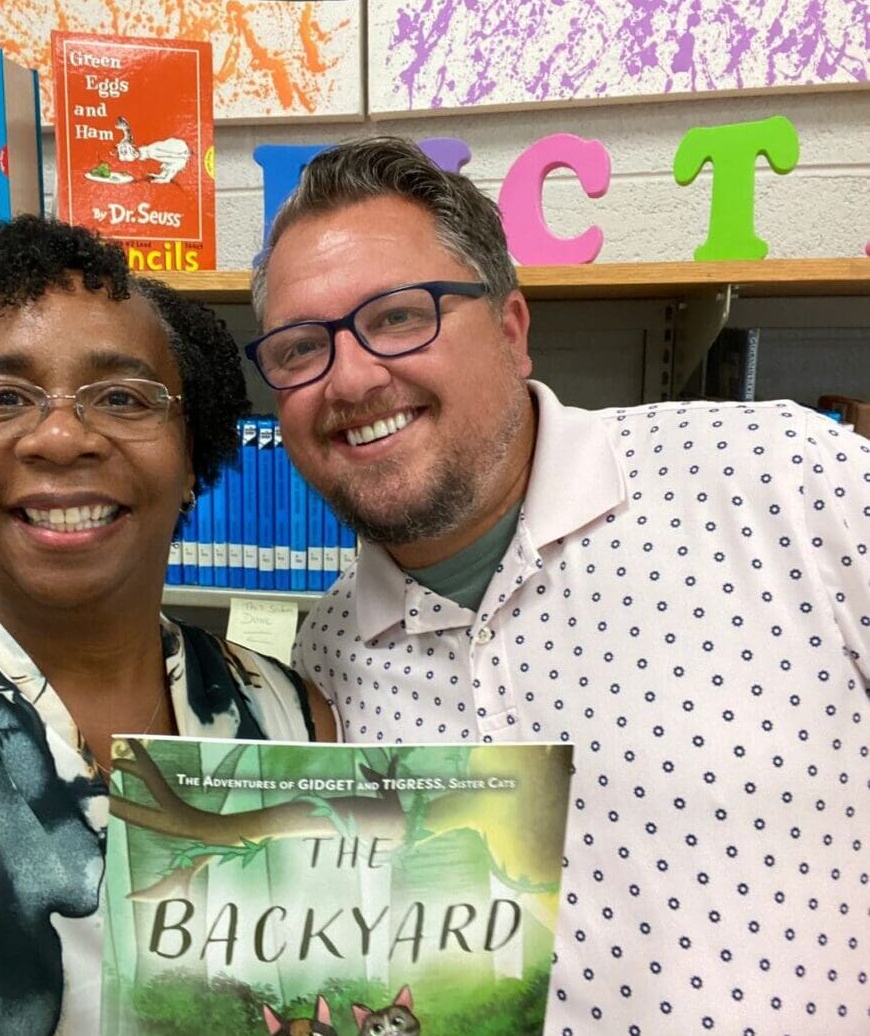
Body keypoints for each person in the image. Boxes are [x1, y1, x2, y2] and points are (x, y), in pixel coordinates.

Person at [246, 137, 869, 1034]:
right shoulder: (327, 653)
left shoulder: (786, 479)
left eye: (396, 317)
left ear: (510, 328)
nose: (350, 376)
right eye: (302, 347)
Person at [0, 216, 335, 1035]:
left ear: (192, 454)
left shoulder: (293, 717)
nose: (59, 436)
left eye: (123, 397)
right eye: (4, 397)